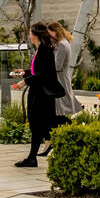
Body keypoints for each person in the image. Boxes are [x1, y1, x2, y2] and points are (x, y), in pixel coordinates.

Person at [13, 21, 64, 167]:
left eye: (30, 33)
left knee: (37, 124)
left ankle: (32, 158)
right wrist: (24, 73)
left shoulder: (44, 50)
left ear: (35, 35)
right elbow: (37, 71)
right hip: (38, 92)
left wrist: (24, 82)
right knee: (37, 125)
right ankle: (32, 157)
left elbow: (42, 75)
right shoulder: (41, 49)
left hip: (41, 94)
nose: (29, 35)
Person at [48, 21, 83, 120]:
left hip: (60, 79)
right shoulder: (61, 43)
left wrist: (45, 67)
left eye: (50, 33)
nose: (49, 36)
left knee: (60, 108)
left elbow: (57, 66)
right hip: (62, 78)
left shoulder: (62, 45)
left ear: (56, 32)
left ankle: (64, 128)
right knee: (60, 107)